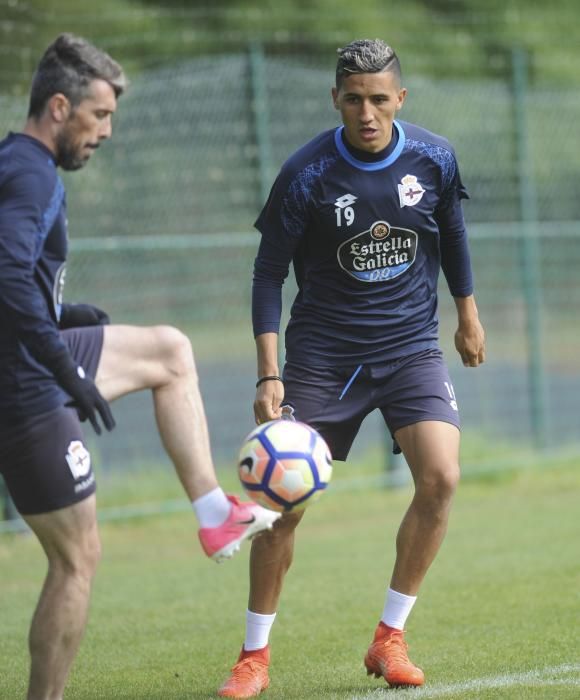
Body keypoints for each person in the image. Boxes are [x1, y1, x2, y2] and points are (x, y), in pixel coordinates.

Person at [0, 33, 280, 700]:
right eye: (99, 117)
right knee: (77, 559)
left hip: (33, 352)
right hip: (21, 380)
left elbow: (18, 281)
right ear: (61, 107)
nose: (106, 133)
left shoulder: (17, 163)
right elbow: (7, 278)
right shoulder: (32, 173)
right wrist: (66, 375)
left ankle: (214, 512)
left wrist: (64, 315)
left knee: (169, 349)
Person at [218, 38, 486, 697]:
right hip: (323, 357)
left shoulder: (434, 158)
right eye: (353, 99)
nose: (366, 112)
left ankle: (389, 638)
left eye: (378, 99)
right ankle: (254, 656)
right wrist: (269, 373)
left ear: (399, 99)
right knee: (282, 505)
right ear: (335, 99)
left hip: (410, 349)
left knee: (442, 477)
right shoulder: (306, 173)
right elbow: (266, 274)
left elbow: (451, 235)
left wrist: (469, 316)